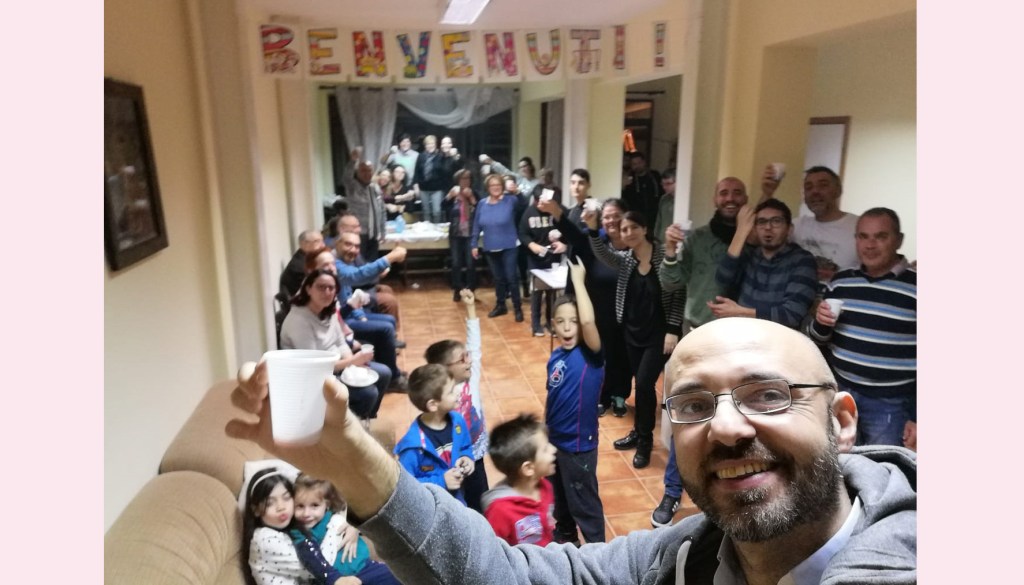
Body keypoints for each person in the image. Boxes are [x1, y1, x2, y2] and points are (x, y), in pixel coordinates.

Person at [228, 316, 916, 585]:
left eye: (767, 395)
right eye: (694, 405)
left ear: (842, 421)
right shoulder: (680, 558)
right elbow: (500, 573)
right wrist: (348, 455)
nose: (729, 428)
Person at [653, 175, 750, 527]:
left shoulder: (755, 238)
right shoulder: (697, 238)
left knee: (738, 420)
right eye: (724, 192)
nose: (730, 198)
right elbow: (670, 282)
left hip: (744, 340)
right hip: (699, 336)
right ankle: (672, 491)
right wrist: (669, 251)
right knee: (691, 413)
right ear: (714, 198)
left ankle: (730, 495)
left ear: (746, 199)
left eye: (737, 192)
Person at [808, 208, 917, 449]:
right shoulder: (841, 281)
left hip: (890, 405)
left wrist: (917, 415)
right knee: (838, 460)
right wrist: (821, 323)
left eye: (880, 236)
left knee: (881, 465)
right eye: (863, 236)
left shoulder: (916, 285)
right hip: (842, 393)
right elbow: (819, 339)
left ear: (898, 240)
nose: (870, 245)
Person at [586, 209, 684, 469]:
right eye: (624, 229)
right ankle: (639, 432)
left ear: (645, 229)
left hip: (658, 335)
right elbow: (603, 253)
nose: (628, 233)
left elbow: (677, 293)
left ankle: (645, 442)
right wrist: (593, 229)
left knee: (643, 384)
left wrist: (673, 328)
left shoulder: (664, 257)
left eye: (633, 228)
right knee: (640, 385)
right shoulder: (626, 260)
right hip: (631, 333)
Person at [541, 196, 632, 418]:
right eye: (607, 217)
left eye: (617, 216)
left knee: (623, 356)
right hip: (597, 311)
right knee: (600, 354)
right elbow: (574, 235)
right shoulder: (596, 240)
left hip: (627, 313)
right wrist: (557, 212)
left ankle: (620, 395)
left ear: (626, 217)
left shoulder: (634, 242)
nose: (611, 221)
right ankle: (601, 396)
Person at [545, 258, 606, 544]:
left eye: (574, 321)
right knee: (560, 496)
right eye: (561, 322)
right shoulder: (556, 356)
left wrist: (579, 281)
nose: (568, 328)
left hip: (579, 446)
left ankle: (598, 552)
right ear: (552, 325)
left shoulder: (591, 355)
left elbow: (589, 320)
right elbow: (553, 396)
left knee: (584, 503)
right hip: (555, 440)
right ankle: (566, 536)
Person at [279, 269, 388, 419]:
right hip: (312, 378)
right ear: (308, 289)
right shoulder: (299, 320)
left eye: (331, 288)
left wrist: (352, 365)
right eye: (321, 287)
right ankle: (347, 426)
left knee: (384, 373)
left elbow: (340, 342)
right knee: (368, 393)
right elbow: (315, 366)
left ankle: (367, 418)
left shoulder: (328, 309)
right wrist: (351, 362)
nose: (327, 292)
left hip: (336, 366)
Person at [423, 289, 490, 513]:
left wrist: (470, 308)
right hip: (451, 462)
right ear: (444, 369)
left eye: (467, 356)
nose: (469, 361)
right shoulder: (438, 395)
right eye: (462, 359)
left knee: (480, 501)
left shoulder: (471, 379)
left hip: (476, 455)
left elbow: (475, 346)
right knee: (456, 505)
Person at [306, 247, 403, 392]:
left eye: (333, 264)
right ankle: (393, 378)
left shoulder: (333, 283)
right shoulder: (313, 301)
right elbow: (334, 323)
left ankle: (391, 370)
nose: (331, 268)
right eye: (326, 265)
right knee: (385, 329)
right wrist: (351, 360)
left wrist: (357, 318)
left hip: (341, 339)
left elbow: (337, 320)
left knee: (388, 322)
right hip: (328, 364)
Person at [712, 199, 817, 329]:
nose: (768, 227)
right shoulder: (751, 255)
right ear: (755, 228)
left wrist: (740, 312)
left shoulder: (802, 260)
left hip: (778, 338)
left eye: (776, 221)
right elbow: (722, 280)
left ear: (789, 229)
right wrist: (740, 233)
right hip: (742, 333)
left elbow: (792, 315)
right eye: (761, 222)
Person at [242, 467, 349, 585]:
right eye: (270, 503)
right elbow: (318, 566)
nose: (281, 507)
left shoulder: (289, 530)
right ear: (256, 510)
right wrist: (336, 525)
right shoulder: (264, 539)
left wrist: (350, 529)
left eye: (286, 498)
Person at [291, 474, 401, 585]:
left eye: (314, 505)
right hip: (337, 578)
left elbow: (359, 516)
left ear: (326, 504)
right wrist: (334, 579)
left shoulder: (334, 517)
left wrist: (354, 528)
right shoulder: (298, 531)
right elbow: (310, 555)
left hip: (365, 567)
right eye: (300, 506)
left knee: (399, 575)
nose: (306, 513)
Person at [764, 165, 860, 286]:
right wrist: (767, 193)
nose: (815, 192)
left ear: (838, 190)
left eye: (823, 185)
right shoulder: (796, 226)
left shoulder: (859, 226)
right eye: (808, 187)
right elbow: (757, 235)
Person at [394, 363, 475, 504]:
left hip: (458, 504)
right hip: (431, 509)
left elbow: (465, 447)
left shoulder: (458, 421)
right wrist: (442, 481)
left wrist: (467, 458)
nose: (458, 392)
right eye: (451, 391)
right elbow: (405, 487)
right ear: (433, 404)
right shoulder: (412, 447)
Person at [480, 413, 557, 547]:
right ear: (528, 468)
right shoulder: (499, 511)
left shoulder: (544, 486)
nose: (554, 449)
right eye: (545, 449)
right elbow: (494, 550)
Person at [470, 172, 527, 322]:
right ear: (487, 188)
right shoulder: (482, 204)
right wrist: (474, 244)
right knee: (498, 278)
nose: (495, 187)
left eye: (498, 185)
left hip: (509, 245)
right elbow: (476, 225)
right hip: (490, 246)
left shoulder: (510, 200)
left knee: (511, 277)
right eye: (492, 185)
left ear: (502, 186)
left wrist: (517, 192)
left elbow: (524, 204)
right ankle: (501, 305)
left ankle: (517, 308)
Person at [519, 187, 567, 336]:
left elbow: (569, 231)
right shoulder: (529, 213)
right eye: (539, 202)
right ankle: (535, 324)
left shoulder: (557, 210)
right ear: (535, 201)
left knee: (552, 292)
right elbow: (522, 233)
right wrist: (531, 245)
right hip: (535, 259)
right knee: (537, 292)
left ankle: (550, 322)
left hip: (554, 257)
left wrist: (563, 242)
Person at [341, 147, 387, 262]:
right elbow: (346, 177)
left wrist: (383, 231)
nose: (367, 173)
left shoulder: (375, 187)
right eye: (363, 171)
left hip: (374, 233)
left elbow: (381, 210)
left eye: (369, 170)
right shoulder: (352, 186)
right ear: (358, 172)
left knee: (372, 263)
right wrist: (352, 161)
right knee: (359, 262)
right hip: (358, 233)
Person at [443, 169, 480, 301]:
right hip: (455, 234)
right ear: (458, 180)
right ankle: (457, 289)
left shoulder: (474, 193)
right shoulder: (454, 192)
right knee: (456, 263)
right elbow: (443, 207)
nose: (465, 181)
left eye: (468, 178)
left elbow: (480, 209)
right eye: (462, 179)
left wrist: (472, 198)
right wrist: (449, 196)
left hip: (470, 233)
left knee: (471, 263)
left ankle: (470, 289)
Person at [412, 135, 448, 223]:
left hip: (437, 189)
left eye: (432, 144)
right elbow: (416, 172)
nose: (430, 146)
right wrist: (416, 185)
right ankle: (428, 229)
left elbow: (445, 173)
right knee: (426, 211)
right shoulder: (421, 156)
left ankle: (436, 228)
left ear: (435, 145)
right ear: (425, 146)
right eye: (428, 144)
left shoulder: (441, 156)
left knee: (436, 211)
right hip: (423, 188)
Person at [620, 151, 663, 227]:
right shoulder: (629, 178)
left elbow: (662, 192)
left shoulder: (654, 176)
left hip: (654, 216)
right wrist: (624, 185)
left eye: (639, 163)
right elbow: (624, 197)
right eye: (634, 164)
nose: (637, 166)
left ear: (644, 162)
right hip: (635, 216)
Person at [280, 229, 325, 298]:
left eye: (322, 241)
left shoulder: (307, 259)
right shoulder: (300, 266)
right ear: (304, 244)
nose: (323, 245)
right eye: (317, 241)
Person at [652, 169, 677, 245]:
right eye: (663, 184)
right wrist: (655, 238)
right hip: (661, 240)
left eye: (668, 184)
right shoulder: (664, 199)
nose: (664, 187)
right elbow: (659, 220)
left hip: (674, 239)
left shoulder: (682, 201)